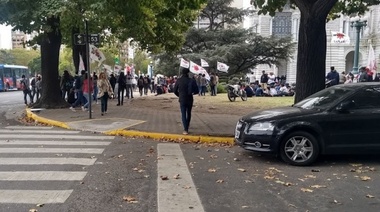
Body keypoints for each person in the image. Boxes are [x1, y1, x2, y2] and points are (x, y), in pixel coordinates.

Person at [174, 68, 199, 135]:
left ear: (182, 73)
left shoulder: (179, 80)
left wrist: (179, 95)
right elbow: (197, 90)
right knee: (189, 113)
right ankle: (187, 126)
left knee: (183, 113)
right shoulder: (191, 80)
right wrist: (192, 92)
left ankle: (185, 129)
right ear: (188, 73)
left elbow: (175, 90)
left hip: (182, 98)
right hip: (189, 98)